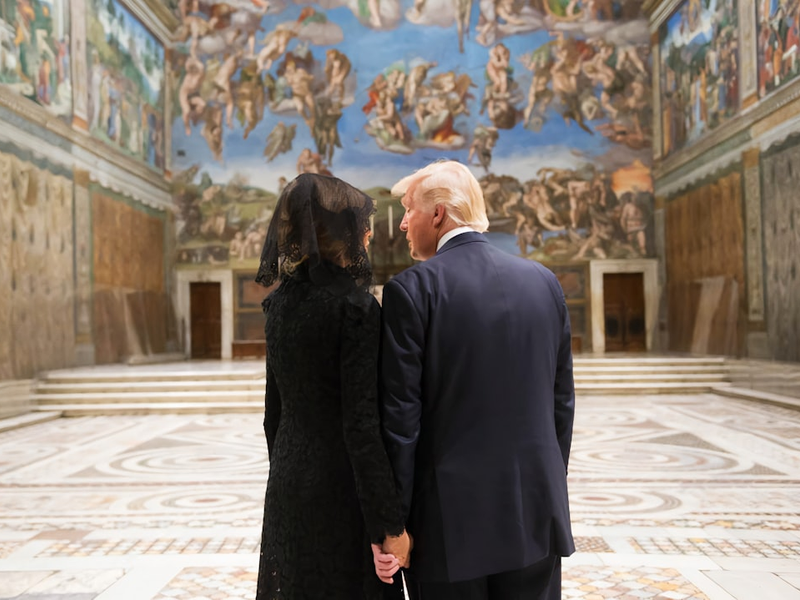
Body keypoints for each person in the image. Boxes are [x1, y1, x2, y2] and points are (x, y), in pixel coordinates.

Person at [378, 160, 575, 599]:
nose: (403, 223)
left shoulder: (412, 290)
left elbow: (401, 421)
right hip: (537, 515)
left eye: (409, 209)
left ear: (438, 213)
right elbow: (561, 404)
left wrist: (395, 525)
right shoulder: (544, 282)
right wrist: (546, 489)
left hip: (450, 526)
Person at [254, 173, 412, 599]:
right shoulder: (355, 308)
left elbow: (273, 415)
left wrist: (288, 469)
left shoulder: (279, 304)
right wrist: (389, 523)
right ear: (343, 234)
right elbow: (361, 426)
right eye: (362, 226)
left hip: (288, 479)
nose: (367, 234)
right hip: (340, 488)